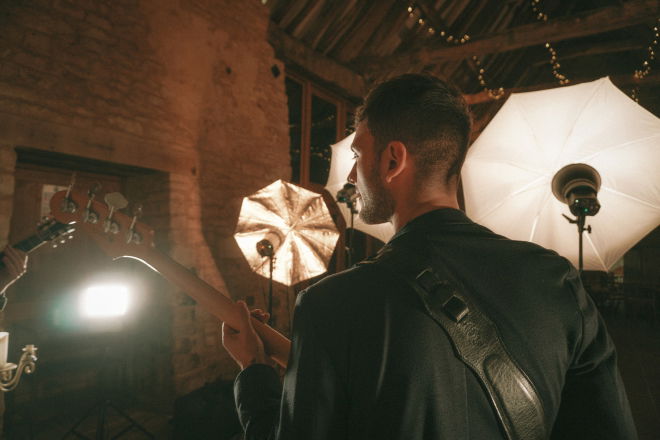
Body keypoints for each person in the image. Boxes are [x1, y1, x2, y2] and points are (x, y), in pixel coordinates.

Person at [221, 74, 637, 439]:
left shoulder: (328, 305)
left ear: (392, 160)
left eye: (358, 155)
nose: (351, 175)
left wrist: (254, 371)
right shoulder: (557, 281)